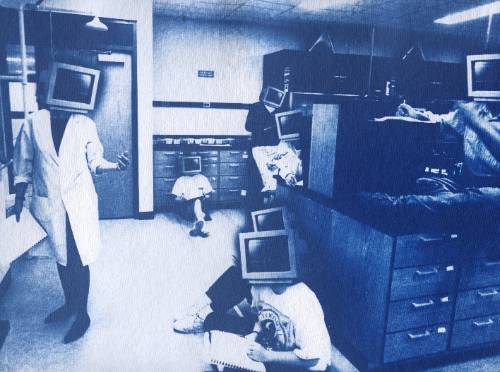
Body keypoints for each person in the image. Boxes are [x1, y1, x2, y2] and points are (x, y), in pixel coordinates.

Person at [10, 66, 129, 344]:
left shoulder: (84, 123)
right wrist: (18, 197)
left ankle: (82, 313)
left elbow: (95, 162)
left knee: (78, 258)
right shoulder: (33, 122)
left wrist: (114, 166)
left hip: (79, 202)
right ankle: (69, 304)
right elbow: (23, 165)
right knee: (61, 257)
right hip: (50, 203)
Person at [171, 161, 213, 237]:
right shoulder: (181, 180)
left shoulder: (202, 178)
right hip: (187, 206)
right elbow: (176, 199)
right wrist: (181, 198)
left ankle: (199, 222)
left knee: (197, 202)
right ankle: (200, 220)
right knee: (197, 204)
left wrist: (206, 196)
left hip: (200, 203)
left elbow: (209, 193)